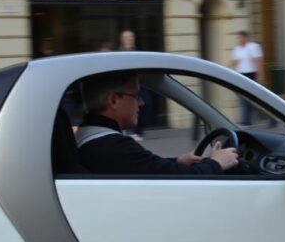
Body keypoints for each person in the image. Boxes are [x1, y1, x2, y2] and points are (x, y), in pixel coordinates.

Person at [76, 72, 238, 175]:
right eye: (136, 96)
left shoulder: (91, 135)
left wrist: (178, 162)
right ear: (113, 100)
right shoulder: (113, 146)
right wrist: (216, 163)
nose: (141, 103)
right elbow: (179, 180)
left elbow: (147, 167)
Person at [231, 30, 276, 127]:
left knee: (257, 99)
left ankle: (272, 118)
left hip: (251, 75)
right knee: (244, 99)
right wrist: (234, 63)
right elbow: (234, 62)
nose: (238, 40)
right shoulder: (237, 49)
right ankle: (246, 120)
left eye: (240, 37)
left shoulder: (253, 47)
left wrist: (260, 75)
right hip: (241, 75)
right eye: (238, 38)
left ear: (245, 38)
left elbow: (259, 61)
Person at [118, 30, 152, 141]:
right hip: (127, 85)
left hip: (140, 84)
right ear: (122, 39)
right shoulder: (119, 53)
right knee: (129, 106)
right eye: (127, 37)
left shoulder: (138, 52)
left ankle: (139, 130)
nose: (130, 39)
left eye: (131, 37)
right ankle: (130, 131)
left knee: (144, 106)